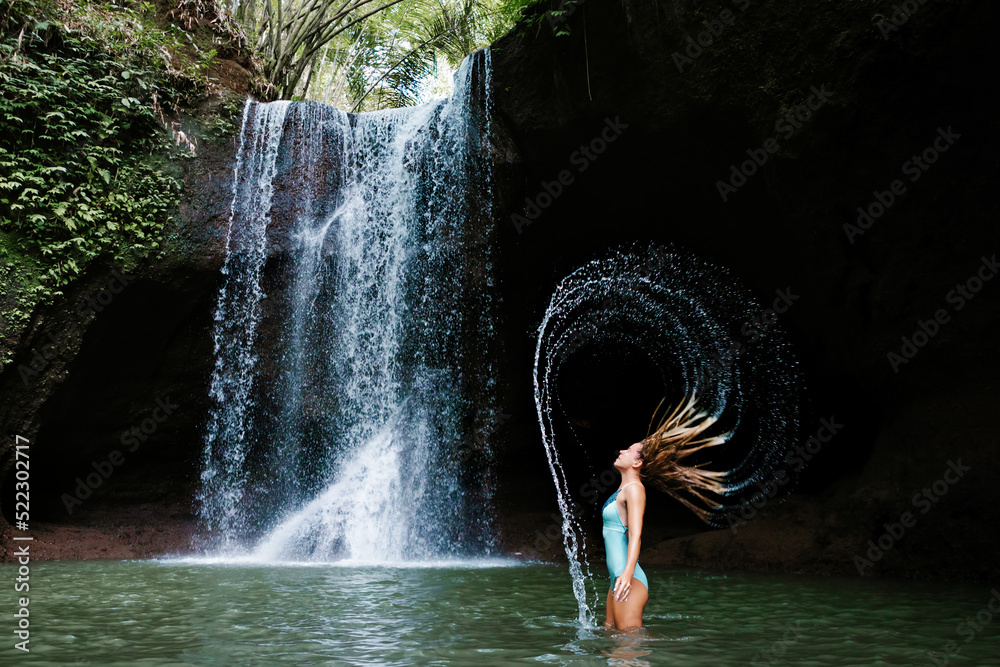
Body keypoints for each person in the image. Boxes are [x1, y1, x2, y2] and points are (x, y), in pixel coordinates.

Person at [602, 391, 729, 631]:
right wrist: (619, 578)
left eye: (628, 451)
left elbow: (636, 535)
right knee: (610, 639)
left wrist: (627, 575)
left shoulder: (635, 490)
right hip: (617, 580)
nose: (621, 451)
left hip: (628, 579)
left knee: (628, 648)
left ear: (637, 463)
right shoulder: (623, 489)